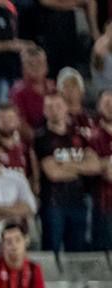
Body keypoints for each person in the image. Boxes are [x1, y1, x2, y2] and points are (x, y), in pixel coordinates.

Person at [35, 92, 100, 253]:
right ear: (44, 110)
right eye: (49, 107)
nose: (54, 110)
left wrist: (66, 165)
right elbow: (53, 173)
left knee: (77, 251)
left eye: (58, 106)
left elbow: (95, 165)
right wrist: (80, 166)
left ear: (66, 108)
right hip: (53, 204)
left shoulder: (79, 135)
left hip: (79, 201)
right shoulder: (41, 138)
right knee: (52, 250)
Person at [9, 46, 54, 134]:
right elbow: (20, 123)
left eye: (39, 63)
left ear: (46, 66)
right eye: (30, 64)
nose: (36, 67)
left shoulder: (54, 88)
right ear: (23, 68)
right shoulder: (18, 92)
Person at [89, 89, 112, 250]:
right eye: (106, 103)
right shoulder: (92, 135)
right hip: (102, 204)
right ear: (98, 106)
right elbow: (95, 167)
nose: (110, 107)